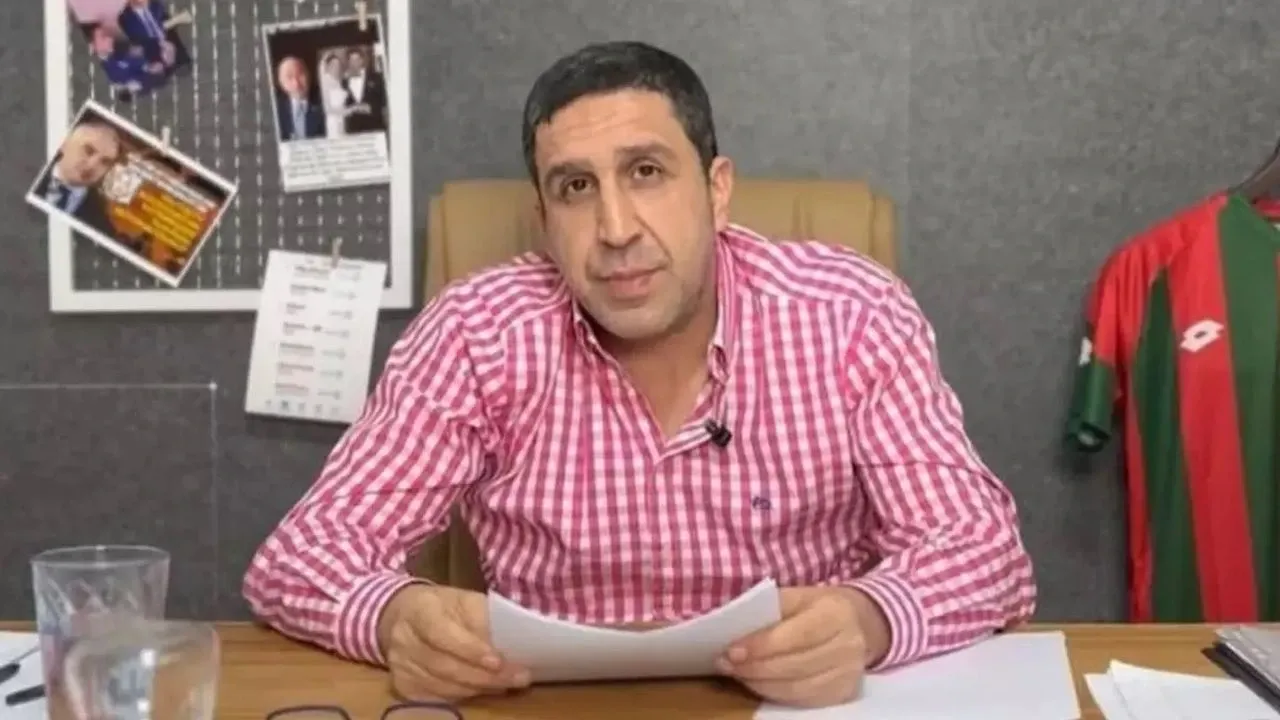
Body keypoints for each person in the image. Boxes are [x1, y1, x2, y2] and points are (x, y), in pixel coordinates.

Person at [243, 40, 1037, 709]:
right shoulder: (475, 333)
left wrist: (869, 621)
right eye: (576, 188)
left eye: (647, 172)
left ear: (717, 191)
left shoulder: (852, 313)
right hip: (551, 707)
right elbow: (301, 555)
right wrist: (392, 617)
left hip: (793, 708)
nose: (616, 229)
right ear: (543, 220)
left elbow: (984, 551)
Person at [32, 119, 121, 238]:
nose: (92, 165)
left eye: (105, 162)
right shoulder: (27, 170)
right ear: (64, 143)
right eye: (88, 151)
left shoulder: (102, 227)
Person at [116, 0, 189, 71]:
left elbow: (159, 22)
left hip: (161, 37)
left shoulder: (154, 5)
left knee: (167, 27)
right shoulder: (125, 17)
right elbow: (141, 35)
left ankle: (180, 60)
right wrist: (176, 20)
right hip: (149, 43)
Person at [274, 56, 324, 141]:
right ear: (281, 82)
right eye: (289, 77)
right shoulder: (274, 109)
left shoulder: (324, 101)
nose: (296, 83)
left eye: (300, 75)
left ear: (308, 75)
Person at [341, 47, 386, 134]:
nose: (354, 63)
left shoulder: (376, 78)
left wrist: (371, 108)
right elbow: (342, 104)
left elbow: (384, 100)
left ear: (362, 61)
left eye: (357, 59)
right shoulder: (344, 82)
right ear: (348, 62)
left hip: (374, 126)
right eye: (351, 60)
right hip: (354, 129)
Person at [319, 52, 352, 139]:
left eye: (338, 65)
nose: (336, 67)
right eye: (333, 65)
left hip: (342, 120)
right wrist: (349, 110)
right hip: (333, 121)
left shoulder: (339, 82)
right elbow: (328, 109)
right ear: (328, 67)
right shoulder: (325, 81)